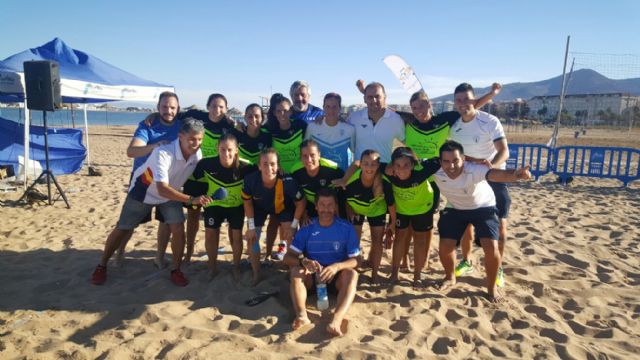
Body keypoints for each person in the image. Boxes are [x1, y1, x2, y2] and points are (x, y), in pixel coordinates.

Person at [91, 118, 210, 287]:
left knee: (178, 228)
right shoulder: (163, 152)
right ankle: (101, 265)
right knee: (123, 227)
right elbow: (161, 188)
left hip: (170, 194)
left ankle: (176, 270)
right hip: (144, 190)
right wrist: (191, 199)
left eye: (199, 139)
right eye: (192, 139)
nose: (196, 143)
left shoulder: (197, 154)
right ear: (180, 136)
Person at [434, 140, 531, 302]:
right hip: (456, 208)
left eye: (455, 160)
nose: (451, 166)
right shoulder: (435, 170)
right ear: (440, 161)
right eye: (446, 161)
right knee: (445, 245)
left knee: (490, 246)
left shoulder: (474, 169)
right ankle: (450, 277)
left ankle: (492, 288)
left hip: (483, 208)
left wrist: (516, 174)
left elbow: (496, 174)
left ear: (463, 160)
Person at [449, 83, 510, 288]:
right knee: (466, 224)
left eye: (467, 99)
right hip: (467, 181)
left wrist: (491, 168)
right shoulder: (454, 125)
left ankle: (498, 268)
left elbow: (504, 151)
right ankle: (467, 261)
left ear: (474, 100)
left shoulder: (490, 121)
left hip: (492, 178)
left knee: (500, 226)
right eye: (459, 100)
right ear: (455, 103)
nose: (463, 103)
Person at [116, 91, 181, 267]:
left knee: (166, 222)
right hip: (143, 181)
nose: (168, 110)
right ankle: (119, 252)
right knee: (129, 222)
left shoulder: (182, 125)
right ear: (158, 107)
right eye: (164, 107)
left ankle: (159, 257)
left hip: (168, 180)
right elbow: (131, 152)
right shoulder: (147, 126)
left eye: (172, 107)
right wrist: (154, 147)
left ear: (178, 109)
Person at [284, 188, 360, 336]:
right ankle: (302, 316)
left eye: (330, 205)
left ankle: (337, 320)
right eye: (322, 205)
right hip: (313, 277)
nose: (326, 209)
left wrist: (337, 266)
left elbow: (357, 260)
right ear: (316, 207)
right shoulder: (307, 228)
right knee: (296, 271)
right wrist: (304, 261)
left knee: (352, 274)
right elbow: (288, 257)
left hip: (335, 277)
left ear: (336, 207)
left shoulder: (346, 228)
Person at [184, 133, 257, 280]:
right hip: (214, 205)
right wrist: (192, 201)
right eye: (223, 149)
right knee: (210, 233)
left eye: (230, 150)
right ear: (217, 148)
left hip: (236, 207)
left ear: (236, 150)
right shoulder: (206, 164)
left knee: (236, 236)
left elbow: (258, 184)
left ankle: (236, 266)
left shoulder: (247, 167)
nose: (226, 153)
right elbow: (191, 182)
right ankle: (212, 267)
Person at [242, 148, 306, 285]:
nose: (269, 168)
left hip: (283, 208)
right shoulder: (250, 180)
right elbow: (247, 203)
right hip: (259, 208)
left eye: (272, 164)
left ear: (278, 166)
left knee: (290, 234)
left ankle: (291, 270)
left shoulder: (287, 181)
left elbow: (301, 203)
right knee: (252, 239)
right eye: (265, 164)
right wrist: (251, 227)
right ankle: (256, 273)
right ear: (259, 166)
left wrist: (294, 226)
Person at [384, 147, 441, 286]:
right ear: (392, 165)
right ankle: (394, 273)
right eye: (397, 165)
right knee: (399, 239)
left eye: (406, 165)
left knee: (419, 241)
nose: (401, 169)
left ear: (413, 165)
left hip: (423, 208)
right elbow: (362, 164)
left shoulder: (422, 169)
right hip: (402, 209)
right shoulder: (388, 172)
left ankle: (417, 276)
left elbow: (442, 158)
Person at [342, 150, 395, 284]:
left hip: (377, 210)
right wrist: (349, 209)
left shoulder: (384, 182)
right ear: (360, 165)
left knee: (377, 241)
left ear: (378, 166)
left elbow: (391, 203)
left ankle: (375, 274)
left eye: (373, 164)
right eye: (366, 163)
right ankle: (354, 269)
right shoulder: (351, 179)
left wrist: (393, 222)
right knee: (354, 240)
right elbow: (344, 197)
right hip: (357, 208)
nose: (369, 167)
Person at [347, 82, 405, 163]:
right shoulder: (354, 118)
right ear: (364, 99)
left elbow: (404, 143)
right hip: (360, 171)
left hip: (385, 171)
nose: (374, 100)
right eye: (370, 97)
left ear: (384, 98)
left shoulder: (396, 119)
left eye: (377, 96)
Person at [290, 139, 345, 224]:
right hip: (308, 206)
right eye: (305, 156)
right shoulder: (295, 172)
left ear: (319, 154)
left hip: (330, 206)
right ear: (300, 158)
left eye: (312, 155)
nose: (309, 159)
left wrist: (345, 208)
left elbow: (345, 189)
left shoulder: (333, 169)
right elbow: (295, 196)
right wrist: (303, 213)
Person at [304, 92, 355, 171]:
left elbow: (356, 153)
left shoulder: (350, 129)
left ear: (339, 108)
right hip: (319, 176)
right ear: (323, 107)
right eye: (328, 106)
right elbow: (305, 151)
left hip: (341, 178)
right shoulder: (312, 127)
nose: (331, 110)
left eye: (334, 107)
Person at [264, 93, 308, 174]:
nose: (282, 114)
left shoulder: (300, 125)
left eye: (285, 111)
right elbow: (253, 129)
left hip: (300, 173)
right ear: (274, 113)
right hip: (279, 175)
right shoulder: (269, 130)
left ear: (291, 111)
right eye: (278, 111)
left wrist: (321, 118)